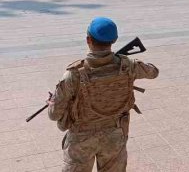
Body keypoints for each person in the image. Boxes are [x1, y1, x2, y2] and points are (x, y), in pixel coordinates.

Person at [47, 17, 159, 172]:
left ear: (88, 40)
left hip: (81, 139)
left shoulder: (73, 74)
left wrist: (52, 102)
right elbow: (153, 72)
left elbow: (54, 115)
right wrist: (125, 61)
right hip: (115, 134)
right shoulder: (128, 66)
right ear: (114, 40)